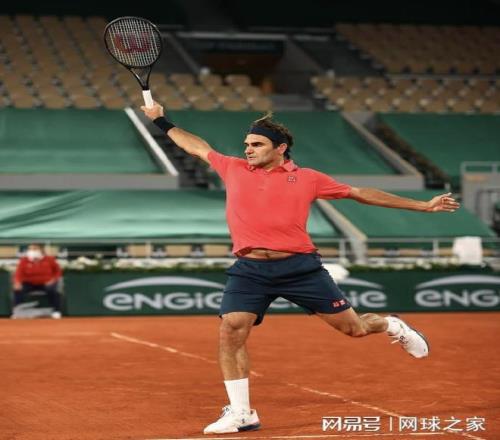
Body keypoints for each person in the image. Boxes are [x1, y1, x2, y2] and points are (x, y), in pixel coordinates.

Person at [141, 102, 460, 435]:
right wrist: (161, 121)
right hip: (250, 269)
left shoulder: (307, 178)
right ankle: (242, 413)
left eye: (257, 144)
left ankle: (391, 325)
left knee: (355, 330)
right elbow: (195, 146)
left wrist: (422, 205)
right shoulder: (233, 168)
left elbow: (360, 194)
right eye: (247, 144)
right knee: (231, 328)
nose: (248, 149)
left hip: (300, 269)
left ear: (280, 148)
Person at [13, 243, 63, 319]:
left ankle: (56, 311)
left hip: (46, 283)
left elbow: (58, 272)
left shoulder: (49, 259)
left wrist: (53, 280)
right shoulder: (24, 260)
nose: (31, 251)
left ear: (41, 250)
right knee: (18, 290)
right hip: (29, 283)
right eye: (30, 249)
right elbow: (18, 273)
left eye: (34, 249)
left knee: (53, 290)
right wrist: (17, 282)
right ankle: (17, 312)